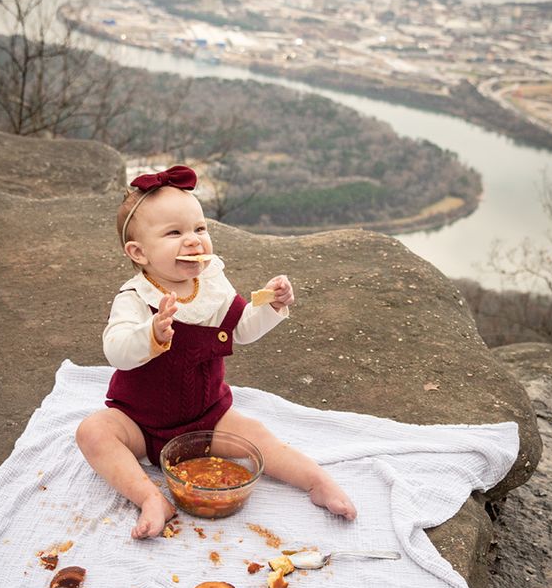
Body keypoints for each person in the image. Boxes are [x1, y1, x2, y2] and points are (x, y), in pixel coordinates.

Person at [76, 165, 357, 538]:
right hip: (139, 423)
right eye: (174, 233)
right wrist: (151, 334)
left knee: (258, 436)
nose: (193, 241)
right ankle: (150, 498)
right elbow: (116, 351)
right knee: (92, 432)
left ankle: (316, 480)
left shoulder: (210, 284)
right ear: (138, 252)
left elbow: (240, 329)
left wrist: (270, 307)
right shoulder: (134, 298)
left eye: (200, 229)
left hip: (208, 416)